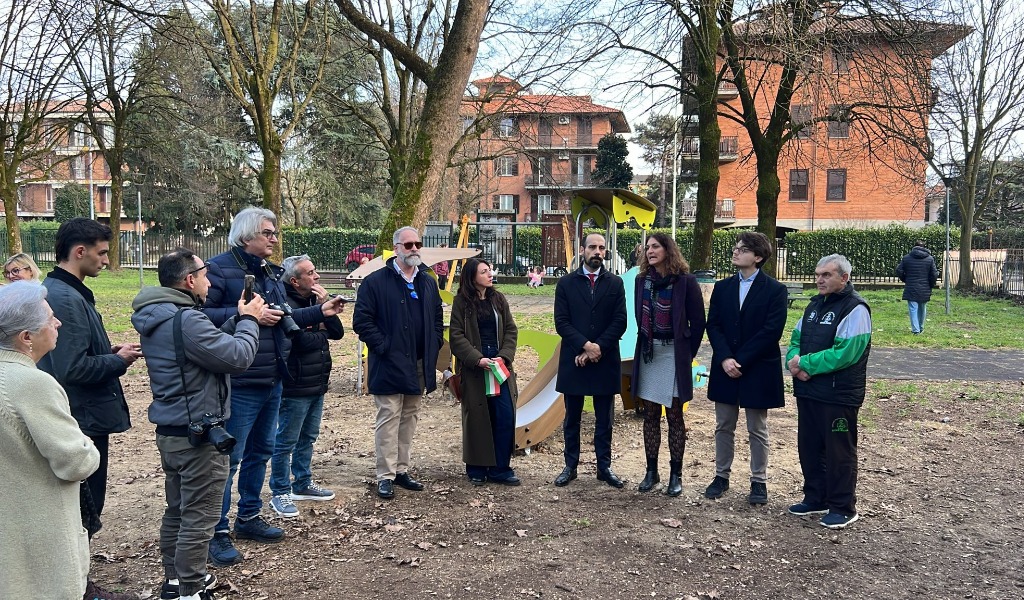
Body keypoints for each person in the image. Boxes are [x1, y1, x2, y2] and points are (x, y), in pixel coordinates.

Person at [201, 207, 344, 566]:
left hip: (273, 377)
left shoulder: (268, 273)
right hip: (240, 380)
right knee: (229, 460)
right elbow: (199, 318)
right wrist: (245, 316)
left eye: (275, 232)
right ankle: (216, 532)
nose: (275, 239)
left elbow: (285, 317)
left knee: (261, 453)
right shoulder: (218, 269)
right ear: (246, 235)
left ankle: (248, 517)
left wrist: (321, 312)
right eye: (268, 233)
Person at [131, 249, 263, 600]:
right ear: (189, 280)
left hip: (173, 432)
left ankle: (174, 580)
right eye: (205, 275)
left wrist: (235, 319)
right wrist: (250, 320)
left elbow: (203, 348)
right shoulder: (187, 319)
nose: (209, 281)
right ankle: (191, 587)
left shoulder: (160, 315)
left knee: (176, 510)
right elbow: (237, 357)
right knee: (200, 517)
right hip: (199, 437)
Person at [37, 218, 143, 574]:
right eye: (101, 252)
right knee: (84, 505)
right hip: (81, 418)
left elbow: (68, 354)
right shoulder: (65, 297)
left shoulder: (66, 290)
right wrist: (117, 361)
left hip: (81, 414)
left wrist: (108, 349)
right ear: (79, 252)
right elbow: (71, 369)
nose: (105, 259)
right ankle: (77, 582)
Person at [0, 282, 100, 600]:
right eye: (50, 318)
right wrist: (87, 444)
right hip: (38, 530)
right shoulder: (33, 383)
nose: (57, 323)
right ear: (26, 337)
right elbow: (75, 461)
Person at [352, 226, 444, 500]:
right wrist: (384, 347)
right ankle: (385, 475)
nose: (414, 248)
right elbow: (362, 321)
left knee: (410, 418)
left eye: (417, 244)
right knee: (389, 417)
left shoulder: (427, 281)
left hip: (418, 362)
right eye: (408, 245)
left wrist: (434, 342)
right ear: (396, 248)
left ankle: (402, 470)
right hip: (389, 362)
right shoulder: (376, 281)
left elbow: (437, 316)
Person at [786, 254, 872, 529]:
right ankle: (815, 497)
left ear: (844, 278)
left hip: (838, 395)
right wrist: (794, 362)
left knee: (839, 452)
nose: (819, 279)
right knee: (809, 448)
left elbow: (846, 353)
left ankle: (843, 506)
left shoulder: (855, 308)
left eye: (827, 275)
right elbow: (796, 340)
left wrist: (805, 364)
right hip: (809, 390)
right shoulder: (813, 306)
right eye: (817, 274)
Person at [704, 232, 787, 505]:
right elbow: (713, 325)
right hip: (725, 366)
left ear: (758, 257)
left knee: (757, 428)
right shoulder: (722, 287)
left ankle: (758, 481)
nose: (736, 252)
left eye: (742, 249)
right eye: (736, 248)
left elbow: (771, 330)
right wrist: (726, 358)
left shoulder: (775, 290)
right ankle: (721, 476)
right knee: (723, 425)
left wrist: (741, 360)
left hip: (757, 367)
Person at [630, 233, 706, 497]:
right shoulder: (642, 281)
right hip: (649, 353)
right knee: (650, 414)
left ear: (668, 250)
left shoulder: (686, 281)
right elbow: (639, 317)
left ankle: (676, 474)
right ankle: (652, 472)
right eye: (647, 247)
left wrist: (686, 354)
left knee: (674, 415)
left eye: (656, 247)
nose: (650, 251)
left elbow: (698, 323)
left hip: (674, 354)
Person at [269, 255, 344, 518]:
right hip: (295, 384)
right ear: (295, 280)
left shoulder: (314, 300)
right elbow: (301, 342)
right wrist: (319, 328)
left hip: (317, 382)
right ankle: (280, 491)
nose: (317, 277)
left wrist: (324, 306)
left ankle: (302, 483)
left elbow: (337, 333)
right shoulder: (284, 303)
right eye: (311, 273)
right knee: (286, 441)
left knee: (308, 438)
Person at [553, 233, 628, 488]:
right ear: (582, 250)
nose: (597, 251)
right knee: (572, 417)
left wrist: (598, 349)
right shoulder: (565, 284)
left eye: (602, 248)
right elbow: (561, 322)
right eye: (593, 247)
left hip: (604, 361)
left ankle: (604, 467)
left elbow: (620, 321)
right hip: (575, 359)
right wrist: (585, 346)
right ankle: (570, 466)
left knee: (604, 418)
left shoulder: (615, 284)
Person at [449, 258, 520, 486]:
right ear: (472, 277)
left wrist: (505, 356)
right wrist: (476, 359)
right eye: (484, 271)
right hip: (476, 369)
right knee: (478, 418)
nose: (490, 274)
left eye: (490, 270)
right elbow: (456, 336)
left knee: (504, 415)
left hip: (499, 367)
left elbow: (511, 329)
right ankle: (477, 467)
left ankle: (500, 468)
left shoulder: (498, 299)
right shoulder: (462, 303)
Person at [895, 240, 938, 334]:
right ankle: (921, 327)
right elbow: (934, 274)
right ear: (924, 247)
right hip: (925, 286)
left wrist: (905, 279)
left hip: (911, 285)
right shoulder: (930, 259)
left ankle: (915, 330)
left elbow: (899, 270)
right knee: (923, 308)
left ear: (914, 247)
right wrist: (931, 284)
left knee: (913, 308)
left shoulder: (906, 258)